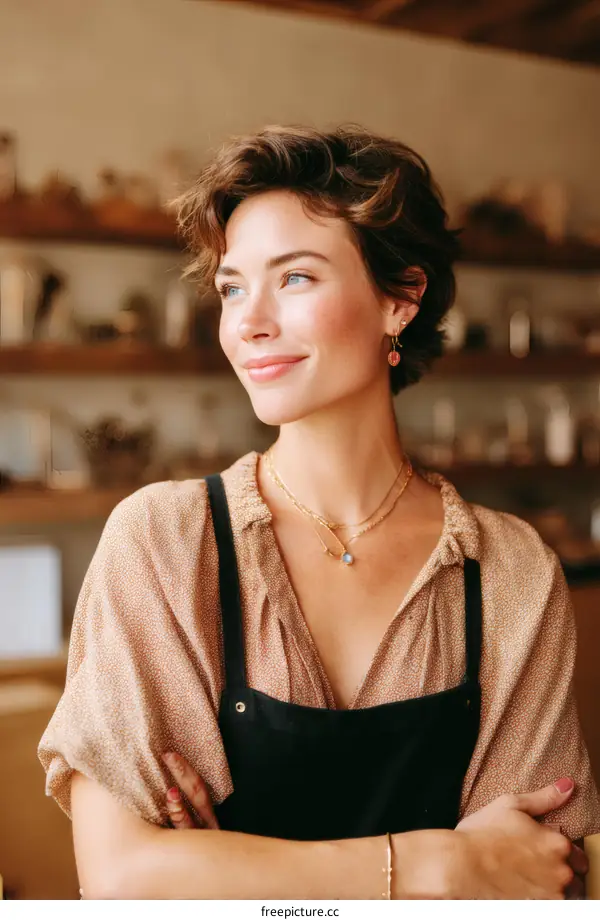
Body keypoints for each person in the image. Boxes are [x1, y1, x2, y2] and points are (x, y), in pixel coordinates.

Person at [39, 125, 600, 899]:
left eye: (294, 278)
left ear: (401, 298)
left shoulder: (509, 571)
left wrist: (229, 872)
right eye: (233, 286)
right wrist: (435, 864)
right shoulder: (165, 542)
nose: (248, 322)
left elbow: (531, 881)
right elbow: (125, 883)